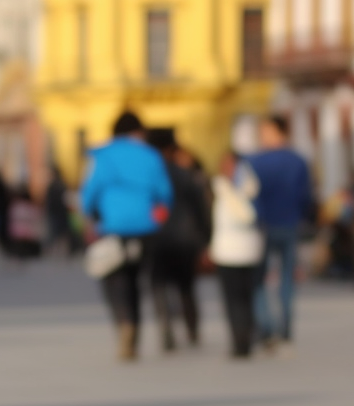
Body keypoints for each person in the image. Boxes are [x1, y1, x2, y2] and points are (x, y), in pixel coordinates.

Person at [80, 111, 173, 361]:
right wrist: (158, 217)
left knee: (114, 279)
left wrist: (89, 216)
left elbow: (89, 193)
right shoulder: (151, 155)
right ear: (138, 131)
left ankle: (124, 323)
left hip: (112, 228)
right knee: (137, 281)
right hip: (146, 228)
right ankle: (137, 326)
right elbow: (164, 193)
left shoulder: (103, 156)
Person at [247, 114, 313, 349]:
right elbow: (306, 196)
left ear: (276, 131)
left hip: (263, 227)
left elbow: (248, 197)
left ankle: (267, 326)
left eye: (264, 131)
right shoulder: (299, 161)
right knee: (286, 278)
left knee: (259, 280)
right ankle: (285, 328)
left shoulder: (254, 161)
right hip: (290, 224)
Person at [146, 133, 211, 352]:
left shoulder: (149, 177)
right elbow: (202, 209)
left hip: (157, 238)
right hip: (186, 239)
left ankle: (166, 330)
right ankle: (192, 329)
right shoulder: (187, 175)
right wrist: (206, 237)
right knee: (187, 287)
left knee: (159, 286)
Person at [209, 152, 263, 358]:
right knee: (243, 298)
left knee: (237, 299)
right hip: (244, 249)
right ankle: (243, 338)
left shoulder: (222, 189)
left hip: (232, 250)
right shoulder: (253, 188)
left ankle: (241, 340)